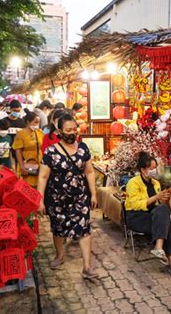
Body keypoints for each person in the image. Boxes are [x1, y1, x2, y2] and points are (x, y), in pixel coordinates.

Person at [37, 114, 98, 279]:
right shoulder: (50, 152)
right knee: (58, 228)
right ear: (59, 131)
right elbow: (42, 176)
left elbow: (90, 171)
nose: (72, 133)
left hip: (80, 197)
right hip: (56, 198)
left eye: (74, 129)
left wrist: (93, 194)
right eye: (68, 130)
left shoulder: (83, 148)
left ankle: (86, 266)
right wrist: (39, 199)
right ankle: (60, 255)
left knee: (84, 228)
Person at [125, 152, 171, 278]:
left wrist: (164, 198)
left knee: (163, 210)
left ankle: (159, 247)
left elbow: (159, 205)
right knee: (166, 224)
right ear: (143, 169)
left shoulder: (156, 183)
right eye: (151, 168)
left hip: (153, 216)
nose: (154, 171)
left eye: (155, 168)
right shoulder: (133, 183)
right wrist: (156, 197)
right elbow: (135, 204)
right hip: (136, 216)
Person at [12, 110, 44, 187]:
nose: (37, 124)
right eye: (35, 122)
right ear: (28, 122)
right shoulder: (20, 134)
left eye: (38, 122)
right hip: (27, 164)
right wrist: (22, 166)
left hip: (39, 163)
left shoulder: (39, 132)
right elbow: (18, 151)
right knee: (27, 187)